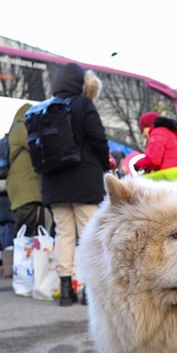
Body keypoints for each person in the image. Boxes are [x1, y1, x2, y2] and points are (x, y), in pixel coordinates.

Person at [40, 63, 110, 307]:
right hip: (84, 182)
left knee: (64, 236)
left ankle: (66, 288)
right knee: (88, 236)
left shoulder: (46, 107)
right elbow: (98, 139)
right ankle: (88, 291)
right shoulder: (83, 104)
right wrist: (104, 165)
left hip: (54, 183)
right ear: (80, 83)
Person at [6, 103, 45, 237]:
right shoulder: (20, 128)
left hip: (25, 185)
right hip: (25, 187)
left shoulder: (16, 128)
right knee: (26, 226)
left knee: (30, 225)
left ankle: (27, 256)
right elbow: (35, 145)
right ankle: (22, 256)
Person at [135, 111, 177, 181]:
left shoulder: (157, 132)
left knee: (137, 184)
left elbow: (153, 159)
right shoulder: (168, 133)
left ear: (147, 126)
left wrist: (138, 164)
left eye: (142, 130)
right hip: (174, 176)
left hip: (165, 178)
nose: (144, 135)